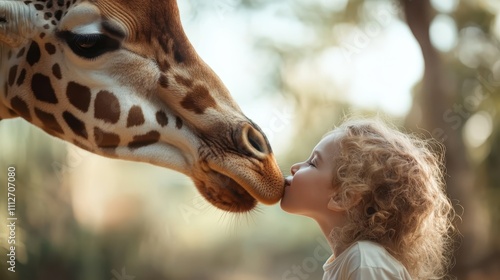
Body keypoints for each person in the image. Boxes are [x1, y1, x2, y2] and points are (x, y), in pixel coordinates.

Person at [280, 118, 457, 280]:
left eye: (312, 163)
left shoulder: (364, 261)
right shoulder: (350, 262)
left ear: (343, 196)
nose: (295, 167)